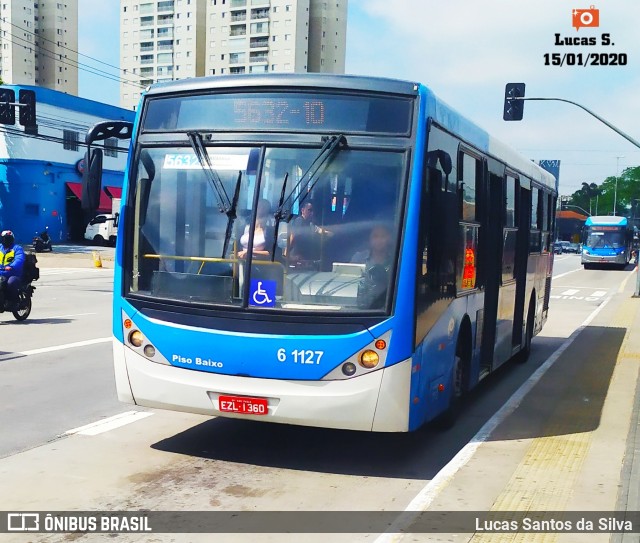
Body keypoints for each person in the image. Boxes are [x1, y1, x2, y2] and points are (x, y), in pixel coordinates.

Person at [351, 224, 394, 308]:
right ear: (370, 239)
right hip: (358, 306)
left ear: (388, 238)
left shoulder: (396, 259)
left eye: (383, 236)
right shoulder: (358, 258)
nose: (379, 240)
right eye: (375, 236)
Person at [0, 230, 25, 307]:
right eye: (4, 238)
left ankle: (14, 301)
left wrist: (11, 267)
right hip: (1, 273)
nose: (6, 240)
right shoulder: (0, 248)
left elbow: (19, 259)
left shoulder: (17, 248)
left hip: (13, 274)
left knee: (11, 282)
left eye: (8, 238)